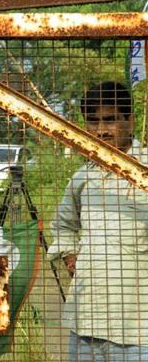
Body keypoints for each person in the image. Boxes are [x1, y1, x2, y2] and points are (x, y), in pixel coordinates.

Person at [48, 81, 148, 360]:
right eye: (92, 121)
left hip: (138, 329)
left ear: (130, 119)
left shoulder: (145, 171)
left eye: (110, 120)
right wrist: (70, 254)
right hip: (86, 322)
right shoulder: (83, 178)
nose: (101, 130)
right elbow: (63, 224)